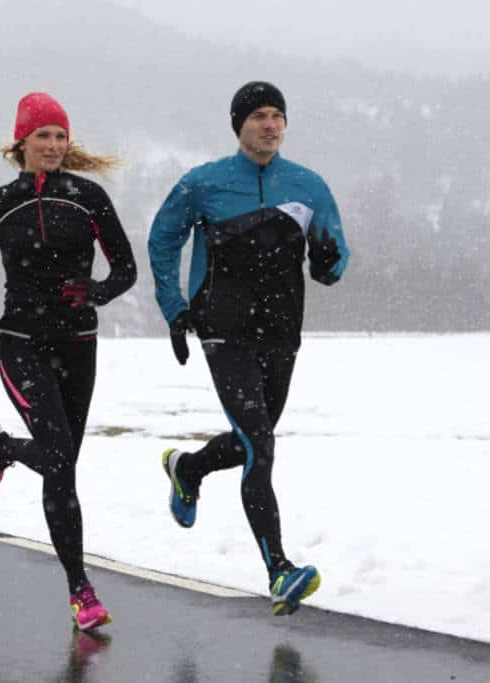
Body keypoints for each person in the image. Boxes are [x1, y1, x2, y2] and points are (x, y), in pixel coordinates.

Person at [148, 81, 349, 616]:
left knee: (250, 441)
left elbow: (334, 259)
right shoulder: (204, 184)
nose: (270, 124)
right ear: (239, 125)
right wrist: (175, 307)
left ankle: (188, 469)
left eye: (277, 115)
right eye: (259, 115)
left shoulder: (308, 186)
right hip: (223, 328)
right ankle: (279, 569)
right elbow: (162, 239)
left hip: (282, 332)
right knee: (260, 443)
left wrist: (328, 261)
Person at [0, 92, 137, 631]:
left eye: (61, 137)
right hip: (20, 342)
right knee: (59, 457)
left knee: (63, 467)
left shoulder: (89, 198)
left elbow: (126, 268)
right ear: (23, 142)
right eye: (44, 136)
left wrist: (98, 292)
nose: (54, 146)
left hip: (78, 345)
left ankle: (2, 446)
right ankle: (80, 590)